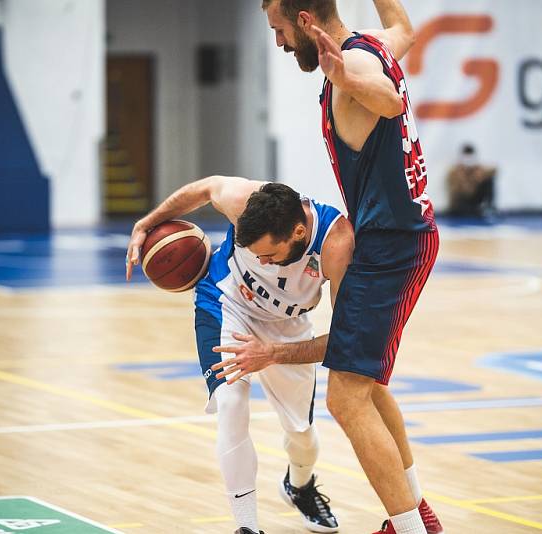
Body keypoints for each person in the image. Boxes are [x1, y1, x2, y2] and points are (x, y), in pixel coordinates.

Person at [252, 2, 442, 533]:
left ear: (307, 20)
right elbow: (404, 28)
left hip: (392, 247)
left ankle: (409, 528)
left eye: (281, 29)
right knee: (368, 385)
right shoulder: (375, 46)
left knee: (345, 396)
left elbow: (384, 99)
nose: (280, 43)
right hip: (393, 239)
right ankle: (417, 512)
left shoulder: (353, 69)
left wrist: (345, 78)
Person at [126, 176, 354, 534]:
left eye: (269, 255)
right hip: (226, 301)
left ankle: (300, 486)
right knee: (231, 403)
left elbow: (346, 340)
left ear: (297, 233)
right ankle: (247, 526)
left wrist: (273, 353)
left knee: (302, 434)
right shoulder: (241, 199)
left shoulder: (336, 244)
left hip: (287, 325)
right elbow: (204, 188)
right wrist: (146, 223)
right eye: (254, 253)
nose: (261, 260)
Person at [446, 143, 496, 217]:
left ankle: (488, 207)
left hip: (474, 202)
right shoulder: (455, 171)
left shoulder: (477, 169)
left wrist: (480, 176)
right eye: (467, 156)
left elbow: (494, 169)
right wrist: (472, 179)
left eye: (470, 156)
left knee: (488, 180)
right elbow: (463, 191)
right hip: (460, 204)